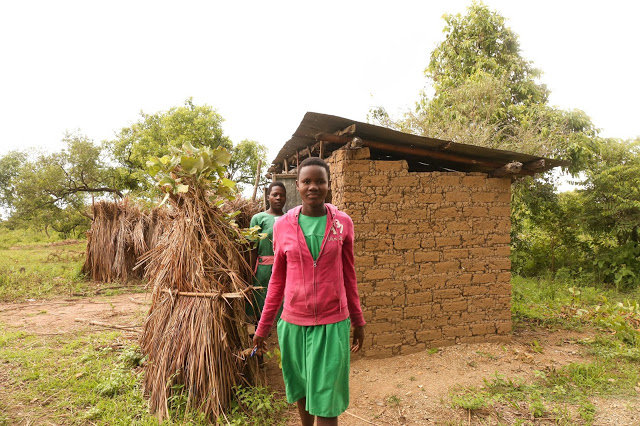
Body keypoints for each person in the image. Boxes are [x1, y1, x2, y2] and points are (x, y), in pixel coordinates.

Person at [253, 157, 366, 426]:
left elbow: (349, 275)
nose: (313, 186)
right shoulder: (282, 226)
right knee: (302, 390)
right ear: (298, 186)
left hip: (332, 323)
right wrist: (263, 327)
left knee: (327, 401)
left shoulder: (343, 224)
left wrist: (358, 320)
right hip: (293, 324)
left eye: (319, 181)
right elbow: (277, 282)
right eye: (306, 181)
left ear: (329, 185)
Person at [248, 181, 287, 322]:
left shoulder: (289, 218)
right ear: (268, 197)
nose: (278, 198)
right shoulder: (258, 219)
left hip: (285, 269)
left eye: (282, 195)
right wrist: (251, 273)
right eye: (275, 195)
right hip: (263, 270)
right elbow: (253, 249)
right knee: (262, 302)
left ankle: (279, 335)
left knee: (284, 303)